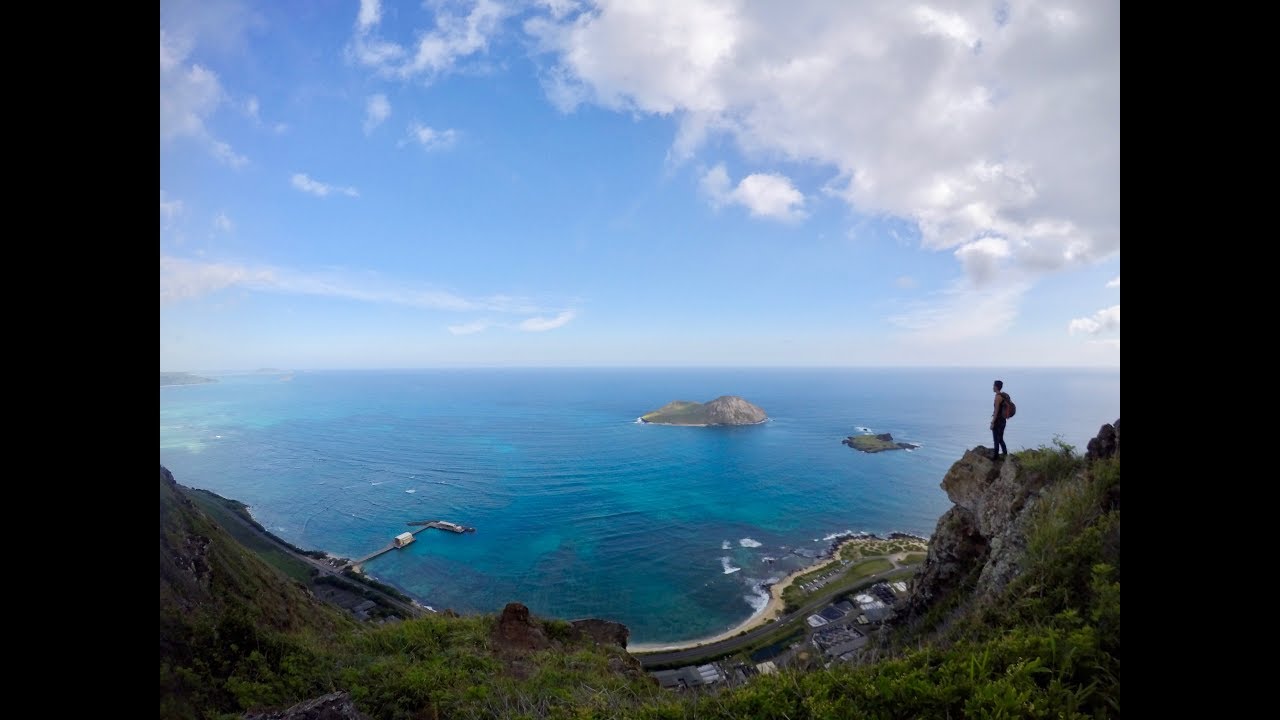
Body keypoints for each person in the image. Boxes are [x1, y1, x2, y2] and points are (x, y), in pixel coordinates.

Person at [989, 380, 1008, 461]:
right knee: (1000, 438)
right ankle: (1005, 454)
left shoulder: (997, 397)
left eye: (993, 385)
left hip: (998, 421)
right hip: (1003, 421)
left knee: (996, 439)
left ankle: (995, 457)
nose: (992, 387)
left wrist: (992, 422)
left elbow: (996, 411)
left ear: (996, 387)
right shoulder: (1003, 396)